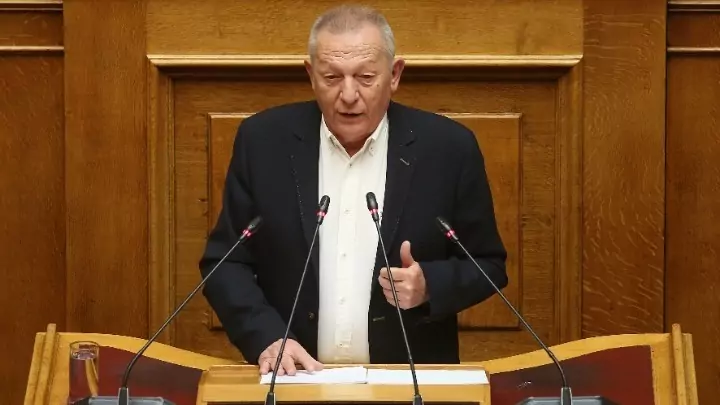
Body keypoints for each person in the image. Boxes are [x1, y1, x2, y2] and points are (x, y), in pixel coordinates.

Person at [199, 4, 507, 376]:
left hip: (409, 382)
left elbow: (488, 264)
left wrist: (430, 285)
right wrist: (267, 336)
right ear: (311, 75)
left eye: (365, 77)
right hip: (294, 380)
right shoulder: (264, 142)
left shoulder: (448, 149)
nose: (348, 94)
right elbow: (226, 262)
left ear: (394, 75)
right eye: (332, 77)